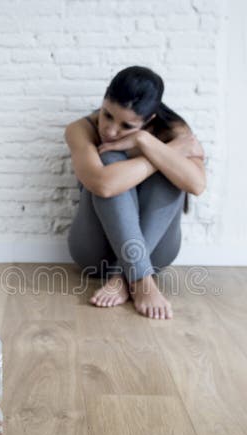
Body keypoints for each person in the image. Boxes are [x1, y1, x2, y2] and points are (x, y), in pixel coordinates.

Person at [65, 66, 206, 320]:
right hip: (95, 253)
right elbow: (103, 185)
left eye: (127, 126)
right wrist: (163, 154)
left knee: (171, 174)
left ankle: (126, 275)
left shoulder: (173, 131)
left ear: (148, 121)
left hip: (156, 254)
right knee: (110, 163)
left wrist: (145, 142)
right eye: (107, 115)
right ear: (103, 100)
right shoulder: (80, 129)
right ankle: (140, 278)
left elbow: (196, 185)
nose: (109, 130)